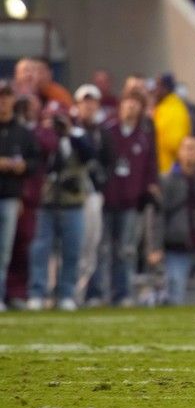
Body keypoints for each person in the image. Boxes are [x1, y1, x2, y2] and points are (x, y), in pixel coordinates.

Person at [88, 90, 158, 306]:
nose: (131, 108)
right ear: (121, 106)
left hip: (130, 202)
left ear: (141, 109)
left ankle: (122, 294)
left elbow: (150, 169)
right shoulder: (107, 132)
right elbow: (95, 162)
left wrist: (148, 191)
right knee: (101, 248)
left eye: (136, 104)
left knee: (126, 250)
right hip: (106, 199)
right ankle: (96, 294)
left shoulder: (144, 138)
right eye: (127, 103)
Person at [27, 104, 94, 311]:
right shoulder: (39, 136)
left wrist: (69, 133)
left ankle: (66, 293)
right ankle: (38, 292)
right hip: (46, 201)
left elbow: (89, 154)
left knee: (71, 250)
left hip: (72, 202)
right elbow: (37, 160)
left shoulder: (77, 137)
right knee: (41, 249)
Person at [150, 136, 195, 305]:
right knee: (175, 298)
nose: (191, 152)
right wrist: (155, 248)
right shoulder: (166, 181)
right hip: (177, 247)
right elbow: (157, 217)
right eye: (187, 148)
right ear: (179, 153)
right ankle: (154, 298)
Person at [72, 84, 114, 305]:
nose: (89, 106)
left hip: (93, 194)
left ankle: (86, 292)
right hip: (70, 197)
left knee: (91, 245)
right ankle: (65, 291)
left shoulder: (103, 133)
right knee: (71, 245)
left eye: (92, 102)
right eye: (84, 102)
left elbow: (108, 163)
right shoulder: (70, 130)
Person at [0, 80, 39, 311]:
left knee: (5, 251)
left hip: (11, 197)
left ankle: (3, 294)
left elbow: (35, 162)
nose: (3, 101)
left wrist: (22, 166)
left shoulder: (23, 132)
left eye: (6, 97)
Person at [152, 74, 192, 175]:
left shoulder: (174, 109)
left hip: (168, 169)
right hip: (160, 166)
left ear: (165, 88)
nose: (154, 90)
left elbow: (175, 143)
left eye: (157, 86)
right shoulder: (163, 107)